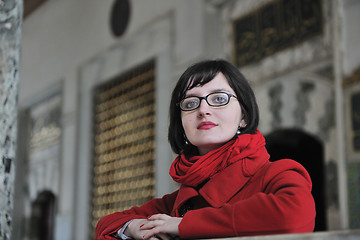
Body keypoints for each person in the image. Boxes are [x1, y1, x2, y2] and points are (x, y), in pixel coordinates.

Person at [95, 59, 316, 240]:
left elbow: (294, 215)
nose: (203, 110)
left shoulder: (277, 173)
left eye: (219, 99)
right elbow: (106, 224)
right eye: (190, 103)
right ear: (180, 123)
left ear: (244, 116)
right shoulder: (179, 199)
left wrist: (184, 225)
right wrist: (137, 228)